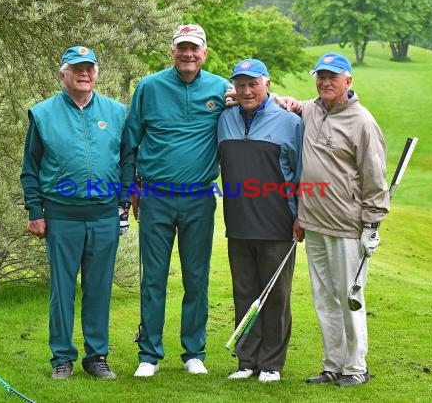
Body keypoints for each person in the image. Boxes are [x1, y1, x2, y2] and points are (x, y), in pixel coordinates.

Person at [20, 46, 133, 380]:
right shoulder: (43, 114)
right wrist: (35, 210)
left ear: (97, 73)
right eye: (77, 68)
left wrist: (123, 201)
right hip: (61, 216)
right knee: (62, 291)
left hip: (103, 216)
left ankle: (96, 356)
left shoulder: (115, 112)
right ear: (62, 74)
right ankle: (62, 359)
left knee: (99, 288)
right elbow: (31, 168)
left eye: (90, 68)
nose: (85, 74)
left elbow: (128, 159)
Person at [126, 24, 231, 377]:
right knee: (153, 278)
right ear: (171, 51)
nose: (188, 54)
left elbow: (255, 104)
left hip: (199, 198)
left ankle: (193, 352)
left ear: (205, 52)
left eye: (194, 48)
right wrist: (132, 188)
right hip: (156, 196)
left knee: (196, 277)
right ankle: (149, 354)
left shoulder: (220, 88)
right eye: (182, 48)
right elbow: (131, 141)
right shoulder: (149, 87)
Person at [283, 52, 389, 387]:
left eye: (333, 77)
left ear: (349, 81)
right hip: (313, 223)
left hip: (347, 226)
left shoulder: (363, 122)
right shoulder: (312, 109)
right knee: (324, 298)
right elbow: (286, 103)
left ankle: (355, 368)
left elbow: (375, 179)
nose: (326, 82)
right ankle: (332, 364)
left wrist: (372, 226)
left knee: (349, 298)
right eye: (321, 76)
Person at [217, 59, 304, 382]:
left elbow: (300, 173)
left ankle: (271, 363)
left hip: (278, 223)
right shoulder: (224, 119)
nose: (247, 90)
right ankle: (246, 361)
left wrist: (300, 216)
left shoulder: (290, 122)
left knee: (276, 296)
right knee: (244, 292)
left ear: (267, 84)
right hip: (238, 223)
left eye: (253, 83)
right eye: (241, 84)